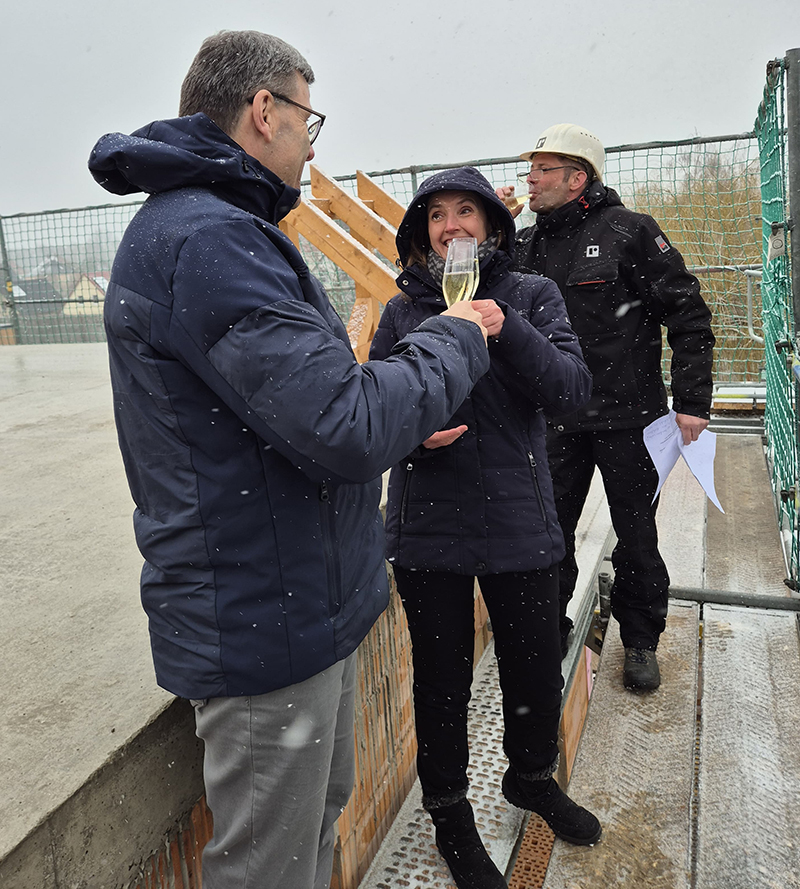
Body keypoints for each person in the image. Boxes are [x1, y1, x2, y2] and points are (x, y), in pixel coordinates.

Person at [88, 31, 492, 889]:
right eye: (310, 119)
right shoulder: (208, 241)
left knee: (311, 831)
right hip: (262, 621)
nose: (313, 144)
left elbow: (304, 407)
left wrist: (401, 416)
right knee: (270, 868)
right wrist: (455, 337)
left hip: (296, 605)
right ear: (263, 110)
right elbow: (342, 423)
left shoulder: (222, 227)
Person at [369, 166, 600, 889]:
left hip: (517, 518)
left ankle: (530, 777)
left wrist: (510, 329)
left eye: (465, 211)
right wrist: (413, 435)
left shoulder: (531, 294)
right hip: (429, 528)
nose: (452, 226)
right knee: (442, 683)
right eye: (436, 215)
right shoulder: (401, 312)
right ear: (422, 233)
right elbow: (373, 411)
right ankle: (448, 812)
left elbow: (572, 391)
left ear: (491, 227)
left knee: (533, 665)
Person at [497, 123, 715, 691]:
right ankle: (549, 630)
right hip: (553, 419)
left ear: (577, 178)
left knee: (636, 534)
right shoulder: (523, 244)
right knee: (547, 533)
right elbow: (472, 291)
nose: (530, 179)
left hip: (629, 418)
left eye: (542, 170)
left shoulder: (629, 232)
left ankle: (640, 639)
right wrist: (494, 226)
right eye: (530, 169)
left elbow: (689, 314)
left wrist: (693, 400)